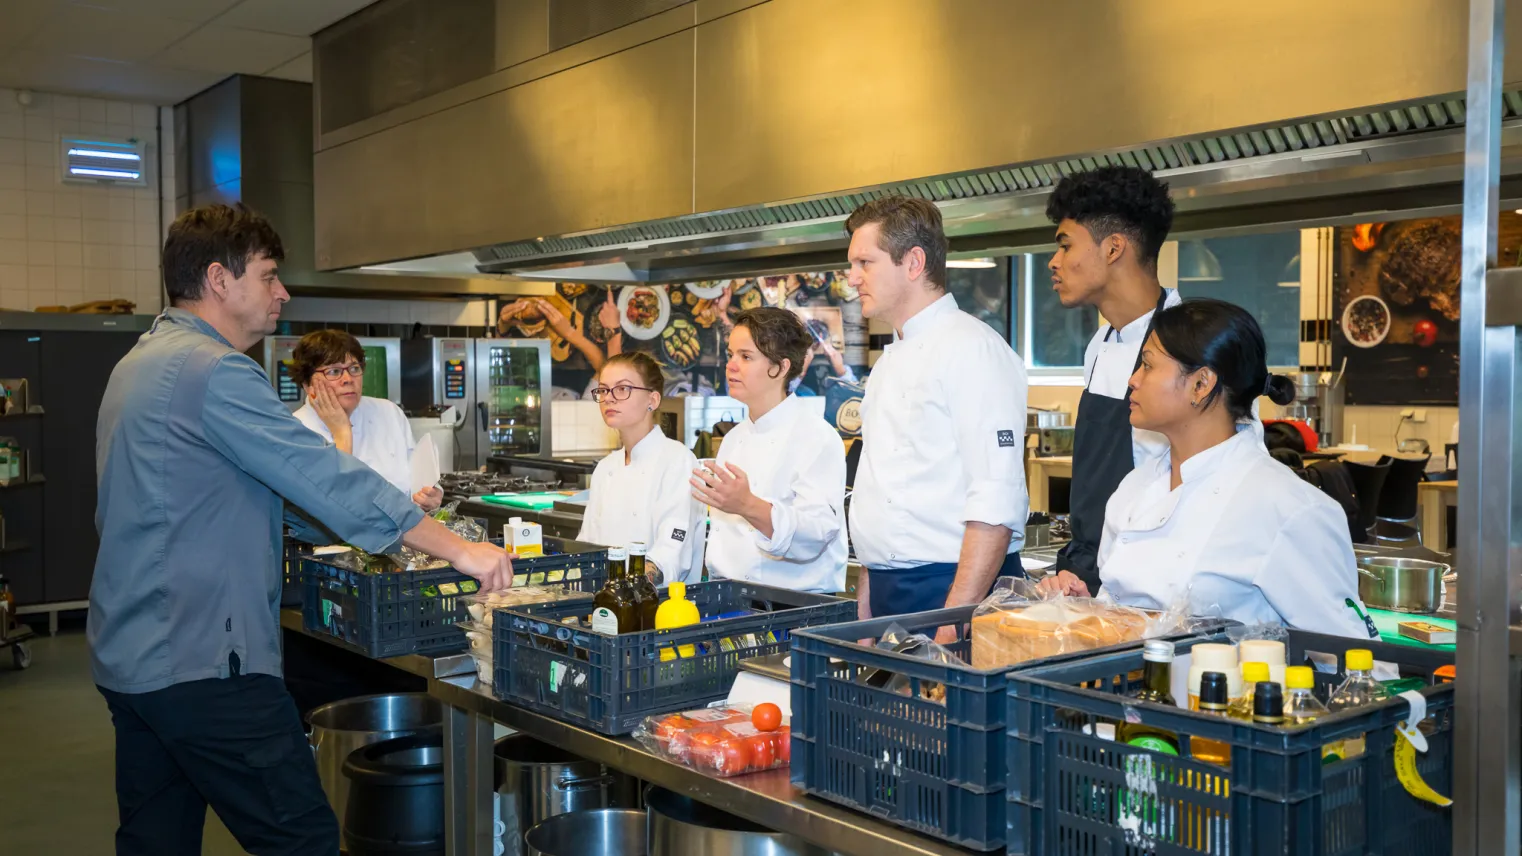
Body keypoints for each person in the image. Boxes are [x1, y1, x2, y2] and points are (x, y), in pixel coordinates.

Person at [88, 203, 513, 856]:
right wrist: (460, 550)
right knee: (304, 840)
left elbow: (253, 492)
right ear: (219, 280)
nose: (282, 291)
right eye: (268, 275)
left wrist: (399, 524)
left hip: (133, 655)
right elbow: (321, 477)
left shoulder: (140, 364)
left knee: (155, 840)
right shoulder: (216, 371)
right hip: (206, 662)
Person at [1039, 299, 1377, 638]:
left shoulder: (1288, 508)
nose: (1132, 380)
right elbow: (1127, 613)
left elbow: (1353, 656)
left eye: (1147, 365)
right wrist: (1087, 608)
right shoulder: (1134, 488)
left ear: (1201, 384)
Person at [845, 196, 1029, 627]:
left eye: (864, 263)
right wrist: (867, 605)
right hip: (893, 590)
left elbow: (995, 502)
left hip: (953, 589)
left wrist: (952, 621)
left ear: (913, 262)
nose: (852, 278)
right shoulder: (891, 358)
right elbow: (880, 488)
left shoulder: (973, 349)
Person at [1045, 165, 1183, 596]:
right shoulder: (1101, 343)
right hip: (1089, 574)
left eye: (1066, 246)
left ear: (1113, 248)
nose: (1054, 262)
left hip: (1150, 579)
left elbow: (1211, 490)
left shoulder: (1190, 347)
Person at [692, 308, 847, 592]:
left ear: (781, 367)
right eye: (731, 354)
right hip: (727, 600)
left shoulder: (816, 437)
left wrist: (747, 505)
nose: (731, 365)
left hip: (790, 609)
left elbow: (817, 532)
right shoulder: (733, 438)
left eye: (746, 356)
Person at [578, 351, 706, 583]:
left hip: (661, 608)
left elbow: (671, 551)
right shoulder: (605, 468)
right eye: (604, 389)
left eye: (623, 388)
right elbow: (587, 546)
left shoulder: (678, 461)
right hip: (605, 604)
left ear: (653, 400)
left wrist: (636, 582)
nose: (609, 398)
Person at [290, 329, 443, 511]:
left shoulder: (387, 411)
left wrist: (431, 495)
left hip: (405, 532)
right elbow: (331, 502)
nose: (348, 379)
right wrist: (342, 432)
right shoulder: (295, 429)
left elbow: (417, 473)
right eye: (334, 371)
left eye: (354, 368)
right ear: (307, 384)